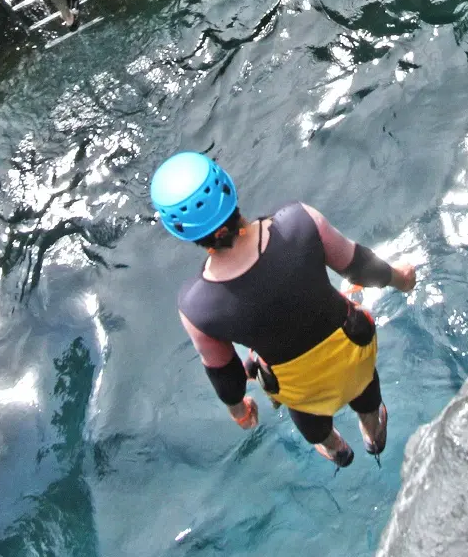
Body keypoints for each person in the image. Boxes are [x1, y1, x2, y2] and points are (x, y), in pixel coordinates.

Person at [154, 152, 418, 466]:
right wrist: (402, 279)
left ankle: (337, 450)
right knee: (365, 390)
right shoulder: (299, 222)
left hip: (299, 387)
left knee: (310, 418)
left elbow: (227, 377)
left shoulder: (196, 305)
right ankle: (373, 434)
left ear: (180, 230)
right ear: (228, 187)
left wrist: (240, 412)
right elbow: (360, 267)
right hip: (352, 350)